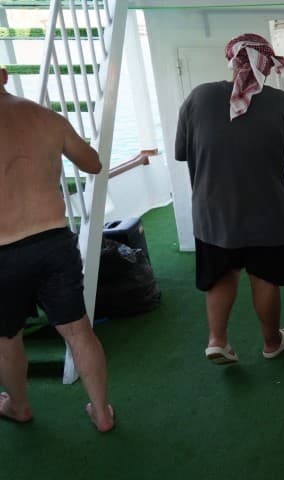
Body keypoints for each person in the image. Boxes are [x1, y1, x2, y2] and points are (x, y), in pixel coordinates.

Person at [175, 33, 284, 366]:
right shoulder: (282, 103)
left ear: (230, 60)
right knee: (264, 278)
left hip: (213, 214)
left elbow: (181, 152)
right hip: (269, 213)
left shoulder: (198, 97)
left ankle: (217, 340)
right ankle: (272, 342)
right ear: (267, 62)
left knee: (221, 275)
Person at [0, 66, 114, 432]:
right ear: (2, 75)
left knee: (6, 337)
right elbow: (93, 163)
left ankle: (19, 406)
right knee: (78, 331)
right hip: (52, 240)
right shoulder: (46, 117)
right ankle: (102, 413)